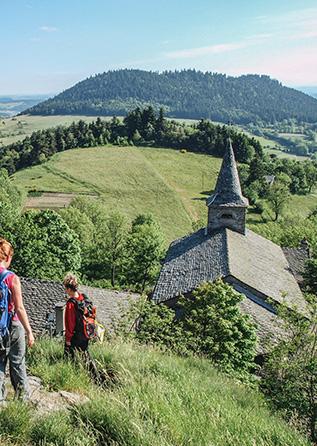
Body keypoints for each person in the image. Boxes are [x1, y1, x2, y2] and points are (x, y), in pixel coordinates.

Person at [0, 238, 35, 402]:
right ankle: (22, 401)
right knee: (17, 362)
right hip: (13, 326)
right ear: (7, 257)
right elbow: (19, 308)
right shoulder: (11, 278)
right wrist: (29, 331)